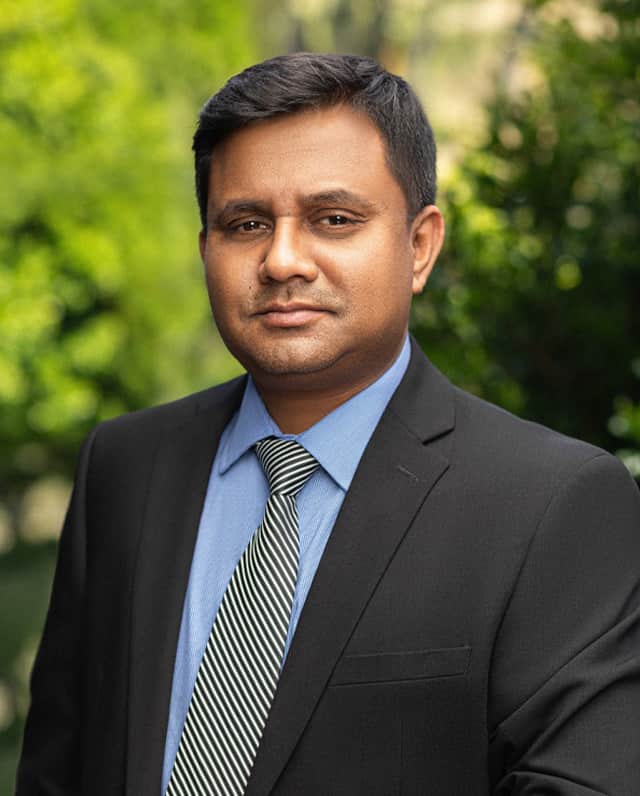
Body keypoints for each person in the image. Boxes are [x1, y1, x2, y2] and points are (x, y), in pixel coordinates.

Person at [16, 53, 640, 796]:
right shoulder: (124, 468)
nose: (282, 260)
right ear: (206, 249)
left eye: (333, 219)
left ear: (420, 246)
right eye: (245, 223)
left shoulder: (554, 504)